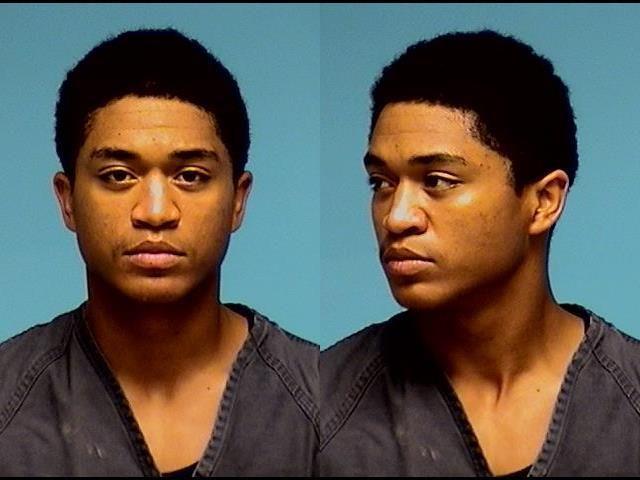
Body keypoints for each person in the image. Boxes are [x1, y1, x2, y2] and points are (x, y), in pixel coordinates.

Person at [318, 29, 640, 476]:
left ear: (543, 201)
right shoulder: (316, 411)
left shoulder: (628, 406)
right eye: (381, 183)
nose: (396, 217)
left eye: (437, 181)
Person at [0, 28, 319, 476]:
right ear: (67, 199)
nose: (155, 212)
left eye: (190, 176)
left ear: (238, 200)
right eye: (117, 175)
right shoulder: (8, 404)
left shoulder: (324, 405)